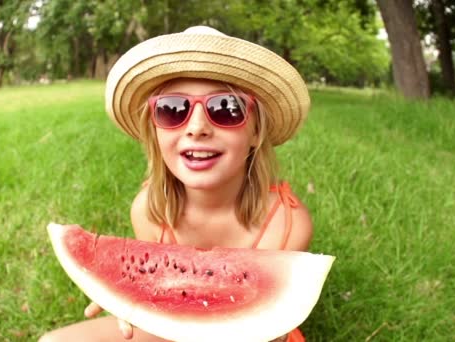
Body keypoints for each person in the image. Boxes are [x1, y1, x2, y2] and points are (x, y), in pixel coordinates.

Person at [40, 25, 312, 342]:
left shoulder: (287, 224)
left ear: (255, 133)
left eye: (225, 109)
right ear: (155, 131)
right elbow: (162, 296)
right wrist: (129, 296)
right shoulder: (149, 210)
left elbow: (264, 328)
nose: (197, 127)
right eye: (173, 109)